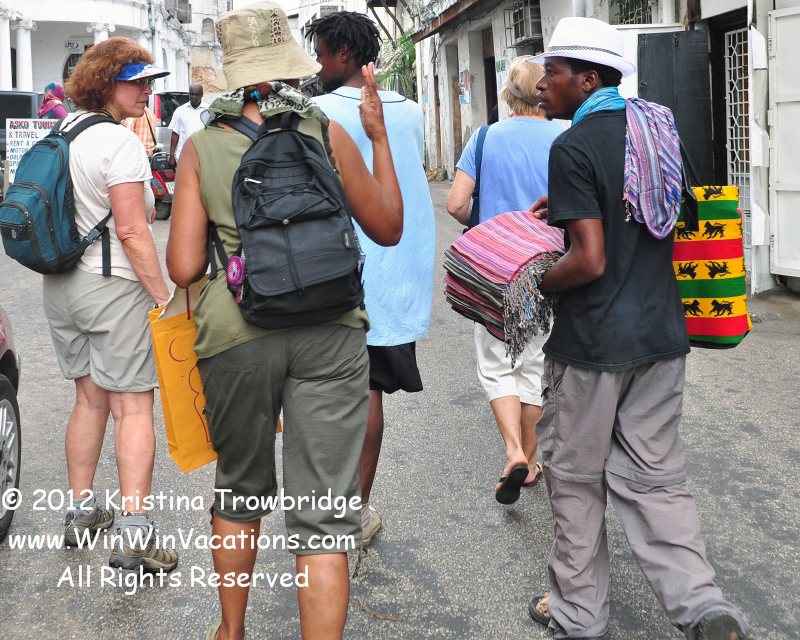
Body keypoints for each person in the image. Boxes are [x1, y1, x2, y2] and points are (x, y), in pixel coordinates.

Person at [166, 3, 403, 639]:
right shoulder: (327, 131)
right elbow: (388, 227)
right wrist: (379, 138)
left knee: (239, 489)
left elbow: (183, 267)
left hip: (237, 334)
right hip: (332, 328)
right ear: (290, 69)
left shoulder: (201, 146)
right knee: (324, 513)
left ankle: (231, 632)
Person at [525, 17, 750, 640]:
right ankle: (703, 607)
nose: (542, 84)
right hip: (661, 336)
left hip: (593, 346)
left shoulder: (573, 146)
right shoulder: (657, 132)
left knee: (576, 481)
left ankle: (577, 615)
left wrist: (535, 282)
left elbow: (590, 261)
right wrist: (571, 210)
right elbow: (661, 216)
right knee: (657, 478)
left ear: (587, 79)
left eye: (552, 72)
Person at [49, 37, 177, 573]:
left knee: (88, 400)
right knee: (133, 407)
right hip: (113, 286)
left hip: (62, 287)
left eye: (149, 81)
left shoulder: (62, 132)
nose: (146, 91)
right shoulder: (119, 142)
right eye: (136, 82)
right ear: (106, 83)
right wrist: (164, 296)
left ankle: (81, 511)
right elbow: (131, 230)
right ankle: (135, 533)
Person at [307, 10, 435, 545]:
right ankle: (356, 511)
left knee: (350, 394)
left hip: (344, 268)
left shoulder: (318, 113)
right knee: (370, 388)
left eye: (321, 55)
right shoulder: (410, 110)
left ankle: (339, 514)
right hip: (400, 266)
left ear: (343, 54)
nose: (317, 65)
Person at [445, 57, 564, 504]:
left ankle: (513, 450)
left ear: (508, 96)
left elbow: (456, 205)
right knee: (534, 365)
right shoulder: (565, 136)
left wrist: (487, 224)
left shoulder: (486, 137)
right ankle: (529, 462)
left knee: (497, 366)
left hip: (497, 269)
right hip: (549, 267)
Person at [168, 83, 205, 168]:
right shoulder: (180, 111)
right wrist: (172, 156)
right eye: (192, 94)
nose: (194, 97)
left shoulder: (208, 110)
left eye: (196, 95)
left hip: (202, 157)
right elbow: (175, 133)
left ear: (202, 95)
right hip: (183, 156)